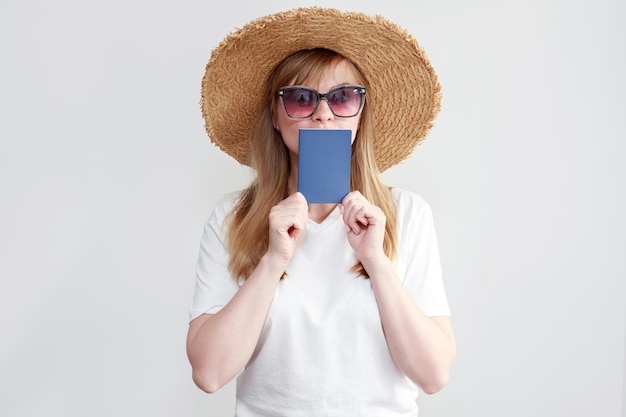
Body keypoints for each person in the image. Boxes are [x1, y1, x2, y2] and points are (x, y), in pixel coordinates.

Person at [186, 7, 456, 416]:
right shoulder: (233, 219)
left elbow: (433, 375)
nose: (324, 113)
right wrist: (274, 260)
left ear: (361, 115)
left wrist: (375, 261)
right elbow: (208, 373)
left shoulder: (407, 214)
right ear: (276, 118)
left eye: (344, 97)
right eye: (300, 98)